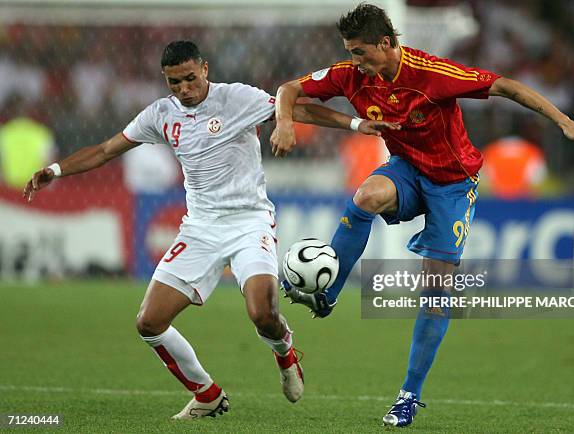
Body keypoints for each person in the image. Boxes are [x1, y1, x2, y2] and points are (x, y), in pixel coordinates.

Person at [23, 40, 397, 420]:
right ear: (165, 81)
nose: (184, 89)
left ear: (204, 69)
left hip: (250, 221)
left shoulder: (237, 98)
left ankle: (285, 354)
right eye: (174, 83)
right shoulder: (159, 114)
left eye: (189, 78)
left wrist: (354, 124)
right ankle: (207, 394)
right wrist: (55, 170)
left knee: (262, 314)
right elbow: (106, 150)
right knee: (149, 323)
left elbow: (298, 108)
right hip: (199, 228)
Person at [270, 4, 574, 428]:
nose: (355, 62)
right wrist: (285, 121)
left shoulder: (432, 74)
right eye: (350, 52)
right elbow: (289, 90)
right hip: (408, 170)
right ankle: (328, 291)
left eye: (360, 52)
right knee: (367, 194)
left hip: (452, 182)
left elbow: (507, 87)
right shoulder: (350, 75)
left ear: (386, 44)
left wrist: (564, 121)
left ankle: (409, 394)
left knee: (436, 288)